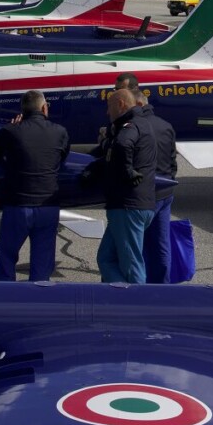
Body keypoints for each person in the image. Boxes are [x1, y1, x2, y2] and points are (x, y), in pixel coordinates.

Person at [0, 90, 70, 281]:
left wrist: (9, 166)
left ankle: (4, 299)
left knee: (7, 257)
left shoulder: (10, 131)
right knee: (42, 261)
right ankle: (38, 302)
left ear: (22, 110)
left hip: (17, 204)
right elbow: (62, 158)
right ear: (44, 108)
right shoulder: (60, 131)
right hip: (48, 204)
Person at [88, 89, 156, 283]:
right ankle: (117, 301)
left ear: (121, 104)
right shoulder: (143, 124)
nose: (107, 113)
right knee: (106, 258)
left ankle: (137, 307)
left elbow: (122, 145)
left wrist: (127, 171)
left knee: (131, 265)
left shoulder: (130, 127)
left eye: (109, 107)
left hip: (128, 206)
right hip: (134, 205)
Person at [132, 89, 178, 283]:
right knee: (161, 245)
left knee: (135, 247)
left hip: (143, 195)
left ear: (139, 105)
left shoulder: (134, 128)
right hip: (165, 191)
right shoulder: (166, 126)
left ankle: (138, 289)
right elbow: (173, 161)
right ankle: (162, 288)